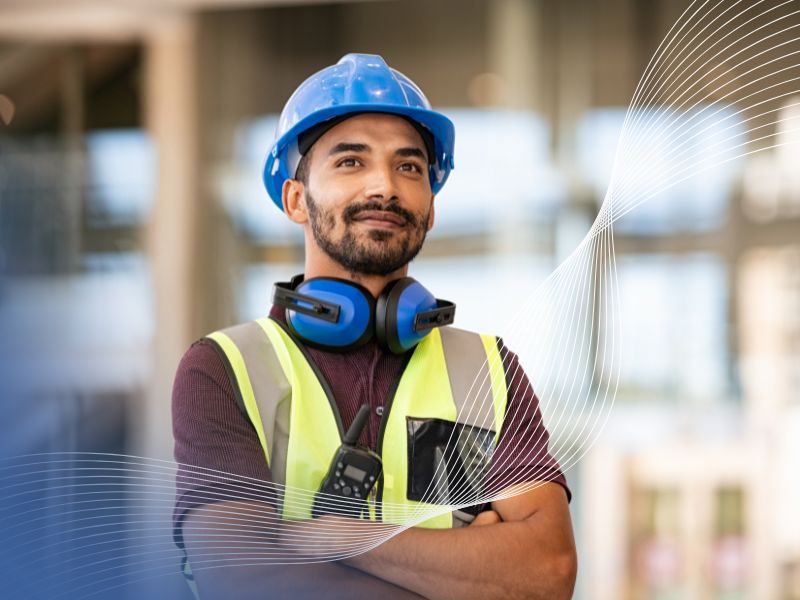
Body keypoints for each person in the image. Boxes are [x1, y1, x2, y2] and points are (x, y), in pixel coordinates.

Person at [172, 53, 576, 600]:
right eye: (350, 163)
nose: (384, 186)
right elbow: (242, 579)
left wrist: (347, 539)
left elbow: (547, 572)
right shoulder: (225, 368)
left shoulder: (488, 370)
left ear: (431, 207)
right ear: (296, 200)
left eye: (409, 167)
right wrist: (466, 571)